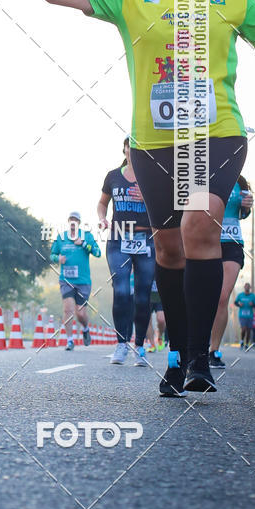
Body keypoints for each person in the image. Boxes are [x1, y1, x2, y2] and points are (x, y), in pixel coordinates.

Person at [0, 0, 255, 396]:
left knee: (198, 228)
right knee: (168, 247)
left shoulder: (232, 0)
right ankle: (180, 351)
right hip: (153, 144)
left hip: (215, 133)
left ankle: (200, 358)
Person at [98, 137, 155, 367]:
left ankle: (139, 346)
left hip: (146, 239)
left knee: (142, 296)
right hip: (118, 237)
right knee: (121, 291)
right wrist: (102, 218)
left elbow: (168, 205)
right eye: (130, 146)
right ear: (124, 149)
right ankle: (121, 343)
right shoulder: (113, 175)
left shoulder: (152, 176)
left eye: (138, 147)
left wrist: (150, 198)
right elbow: (102, 203)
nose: (133, 150)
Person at [209, 176, 253, 368]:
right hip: (207, 242)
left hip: (233, 244)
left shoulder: (240, 182)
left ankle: (214, 350)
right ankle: (198, 347)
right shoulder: (204, 176)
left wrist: (247, 206)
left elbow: (243, 213)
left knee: (222, 297)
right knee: (206, 297)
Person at [50, 211, 101, 349]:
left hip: (83, 281)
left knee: (80, 313)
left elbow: (98, 252)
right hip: (66, 280)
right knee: (67, 310)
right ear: (68, 222)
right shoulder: (61, 237)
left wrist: (84, 244)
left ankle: (85, 329)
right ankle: (70, 340)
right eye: (71, 219)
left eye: (76, 220)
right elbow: (52, 255)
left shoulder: (87, 236)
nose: (73, 222)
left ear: (78, 223)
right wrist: (57, 259)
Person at [234, 283, 255, 349]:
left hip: (250, 316)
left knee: (249, 330)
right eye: (246, 286)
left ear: (250, 288)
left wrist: (252, 304)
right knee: (243, 329)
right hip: (242, 315)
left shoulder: (253, 296)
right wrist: (239, 305)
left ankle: (247, 344)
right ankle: (242, 341)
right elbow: (235, 302)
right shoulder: (240, 295)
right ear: (244, 287)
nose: (247, 288)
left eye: (248, 287)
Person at [148, 279, 167, 351]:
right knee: (147, 321)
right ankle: (152, 344)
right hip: (148, 297)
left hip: (160, 297)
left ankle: (160, 336)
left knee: (161, 320)